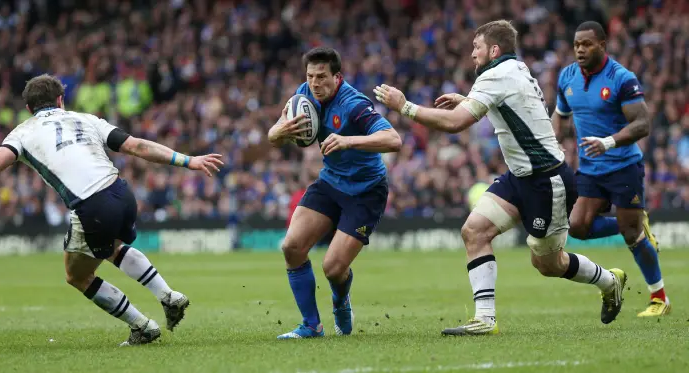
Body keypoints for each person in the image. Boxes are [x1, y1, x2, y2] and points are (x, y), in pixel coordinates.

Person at [375, 20, 626, 336]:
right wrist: (468, 100)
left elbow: (455, 124)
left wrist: (405, 107)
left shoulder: (496, 76)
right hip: (520, 177)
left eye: (477, 47)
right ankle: (485, 318)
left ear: (494, 50)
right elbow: (507, 103)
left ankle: (609, 281)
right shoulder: (514, 69)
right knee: (474, 231)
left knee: (549, 265)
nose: (472, 54)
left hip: (547, 182)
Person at [0, 74, 224, 346]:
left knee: (76, 275)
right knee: (111, 248)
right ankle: (168, 295)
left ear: (28, 109)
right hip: (121, 193)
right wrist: (188, 160)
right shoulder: (87, 119)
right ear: (60, 100)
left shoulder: (22, 132)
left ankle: (143, 326)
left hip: (92, 206)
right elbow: (136, 145)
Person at [268, 47, 402, 339]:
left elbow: (394, 139)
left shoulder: (353, 104)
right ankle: (311, 325)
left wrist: (348, 141)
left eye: (322, 77)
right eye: (310, 76)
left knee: (332, 267)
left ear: (337, 77)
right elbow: (274, 134)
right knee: (292, 247)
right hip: (330, 183)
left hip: (366, 190)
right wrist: (278, 133)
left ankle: (341, 300)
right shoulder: (304, 94)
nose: (315, 83)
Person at [552, 21, 668, 317]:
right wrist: (552, 145)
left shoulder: (621, 78)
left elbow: (643, 124)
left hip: (623, 166)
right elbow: (560, 115)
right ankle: (636, 221)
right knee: (577, 227)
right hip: (590, 170)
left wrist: (609, 141)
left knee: (632, 236)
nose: (580, 49)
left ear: (602, 45)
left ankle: (659, 299)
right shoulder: (567, 77)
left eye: (587, 44)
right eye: (577, 44)